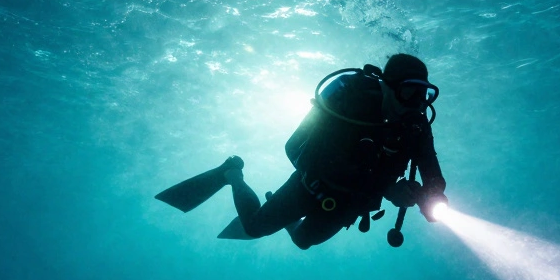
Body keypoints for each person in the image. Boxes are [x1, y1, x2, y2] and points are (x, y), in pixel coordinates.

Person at [155, 53, 448, 249]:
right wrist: (388, 189)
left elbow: (430, 166)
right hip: (312, 186)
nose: (417, 104)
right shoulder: (352, 105)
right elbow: (310, 159)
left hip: (352, 201)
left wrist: (432, 195)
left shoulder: (417, 124)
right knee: (255, 227)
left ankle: (291, 222)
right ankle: (232, 173)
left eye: (424, 95)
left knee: (303, 242)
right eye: (410, 92)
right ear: (386, 86)